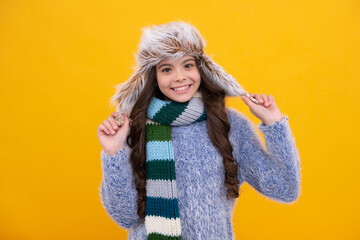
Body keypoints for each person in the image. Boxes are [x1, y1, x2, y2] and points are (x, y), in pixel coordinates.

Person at [97, 21, 301, 240]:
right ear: (153, 77)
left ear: (202, 69)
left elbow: (285, 189)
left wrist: (274, 124)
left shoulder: (229, 125)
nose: (179, 77)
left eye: (187, 65)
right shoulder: (134, 128)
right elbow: (125, 217)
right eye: (166, 69)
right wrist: (113, 153)